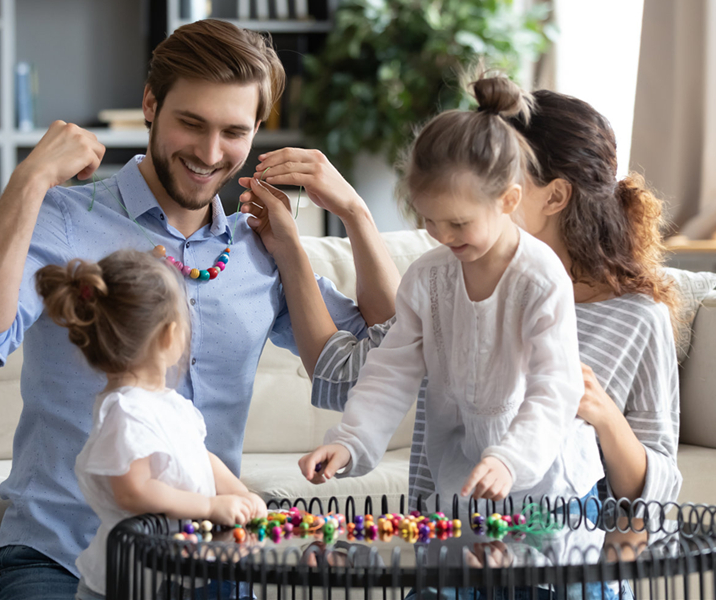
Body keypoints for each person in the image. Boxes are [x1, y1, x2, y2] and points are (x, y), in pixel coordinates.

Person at [0, 19, 388, 600]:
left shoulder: (261, 247)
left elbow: (380, 364)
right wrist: (28, 180)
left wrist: (356, 214)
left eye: (233, 132)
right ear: (151, 103)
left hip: (205, 563)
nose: (209, 152)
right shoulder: (65, 218)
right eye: (191, 124)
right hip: (61, 555)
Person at [247, 80, 682, 514]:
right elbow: (365, 373)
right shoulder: (447, 271)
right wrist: (352, 215)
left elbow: (654, 500)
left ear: (551, 195)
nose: (442, 231)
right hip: (453, 534)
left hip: (560, 550)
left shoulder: (635, 318)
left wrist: (603, 417)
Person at [35, 249, 267, 600]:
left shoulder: (169, 405)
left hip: (175, 570)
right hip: (130, 580)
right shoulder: (126, 412)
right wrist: (207, 507)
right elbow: (132, 490)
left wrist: (239, 493)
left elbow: (200, 458)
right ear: (168, 335)